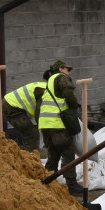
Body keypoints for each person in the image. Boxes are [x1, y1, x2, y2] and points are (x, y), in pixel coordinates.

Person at [38, 59, 83, 194]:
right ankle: (72, 185)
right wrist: (75, 106)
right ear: (61, 69)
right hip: (57, 123)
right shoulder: (61, 78)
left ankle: (46, 181)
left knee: (54, 153)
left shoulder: (50, 82)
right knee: (68, 152)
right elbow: (68, 94)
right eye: (67, 70)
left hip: (45, 124)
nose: (69, 73)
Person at [1, 77, 46, 153]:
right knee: (31, 134)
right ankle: (29, 158)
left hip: (13, 106)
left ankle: (26, 154)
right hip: (12, 107)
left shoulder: (47, 88)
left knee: (31, 133)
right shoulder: (45, 92)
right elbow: (39, 114)